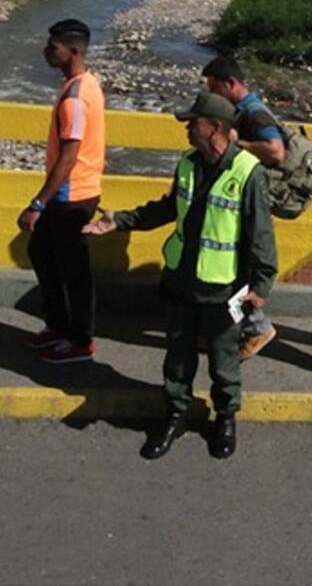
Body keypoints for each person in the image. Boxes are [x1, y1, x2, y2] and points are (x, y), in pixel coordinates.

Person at [83, 91, 277, 460]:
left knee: (224, 360)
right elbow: (168, 208)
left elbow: (261, 234)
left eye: (193, 122)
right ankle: (175, 415)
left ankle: (225, 418)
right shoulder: (188, 163)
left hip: (224, 289)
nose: (187, 129)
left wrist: (261, 285)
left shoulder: (248, 173)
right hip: (180, 281)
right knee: (177, 358)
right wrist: (120, 221)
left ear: (214, 127)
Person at [18, 19, 106, 363]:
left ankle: (81, 341)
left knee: (74, 272)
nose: (46, 52)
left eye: (52, 47)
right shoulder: (84, 84)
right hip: (73, 193)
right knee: (42, 253)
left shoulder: (75, 97)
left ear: (74, 50)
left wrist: (37, 203)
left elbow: (68, 157)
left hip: (72, 196)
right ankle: (58, 327)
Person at [202, 54, 283, 361]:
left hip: (249, 202)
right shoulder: (243, 111)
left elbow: (275, 151)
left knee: (241, 273)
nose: (211, 94)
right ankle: (233, 329)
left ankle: (257, 328)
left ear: (231, 84)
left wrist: (237, 144)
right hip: (240, 201)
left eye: (214, 88)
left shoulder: (254, 113)